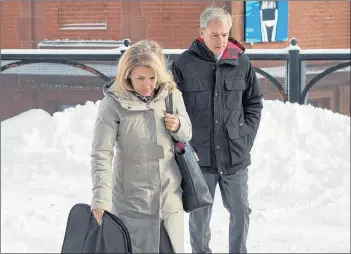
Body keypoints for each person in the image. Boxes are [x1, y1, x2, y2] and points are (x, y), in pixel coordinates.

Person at [171, 6, 263, 254]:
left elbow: (253, 103)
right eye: (214, 34)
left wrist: (245, 137)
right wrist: (185, 147)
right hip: (199, 158)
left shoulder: (241, 61)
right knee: (199, 218)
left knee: (241, 212)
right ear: (202, 32)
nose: (221, 40)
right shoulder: (184, 64)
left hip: (235, 154)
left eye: (224, 34)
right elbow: (173, 107)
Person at [90, 39, 192, 253]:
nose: (148, 85)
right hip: (131, 201)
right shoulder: (112, 104)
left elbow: (188, 132)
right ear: (127, 75)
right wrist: (101, 198)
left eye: (153, 78)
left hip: (168, 198)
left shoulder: (171, 95)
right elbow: (101, 154)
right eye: (140, 78)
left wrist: (178, 125)